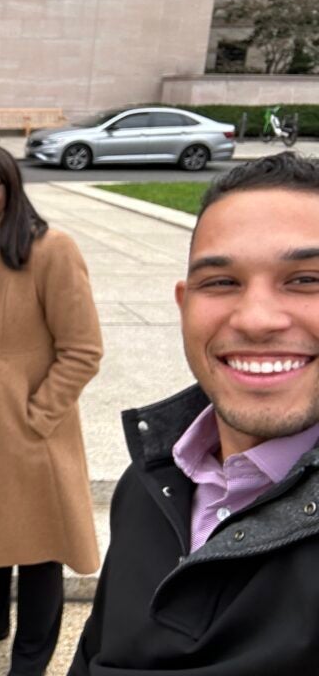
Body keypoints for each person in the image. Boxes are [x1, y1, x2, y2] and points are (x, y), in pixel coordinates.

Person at [70, 152, 319, 675]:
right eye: (221, 282)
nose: (255, 319)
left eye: (305, 280)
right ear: (184, 305)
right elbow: (96, 645)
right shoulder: (150, 478)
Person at [0, 143, 102, 676]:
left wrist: (39, 415)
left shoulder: (51, 249)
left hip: (28, 422)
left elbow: (83, 349)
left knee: (37, 548)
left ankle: (30, 659)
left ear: (10, 186)